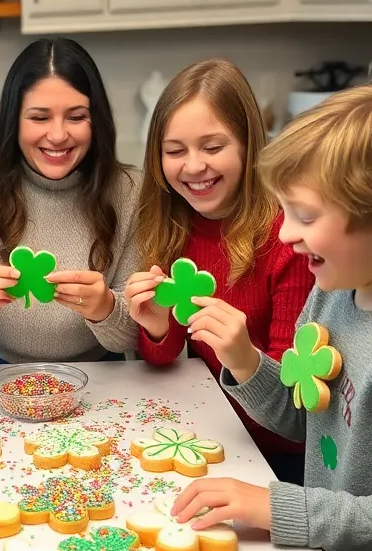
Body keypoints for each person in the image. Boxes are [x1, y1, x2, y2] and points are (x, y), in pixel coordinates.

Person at [172, 88, 372, 551]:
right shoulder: (332, 293)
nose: (285, 233)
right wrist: (244, 359)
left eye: (305, 215)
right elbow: (300, 418)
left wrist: (275, 506)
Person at [124, 59, 313, 484]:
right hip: (211, 436)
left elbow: (296, 408)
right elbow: (165, 358)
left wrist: (244, 357)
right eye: (175, 151)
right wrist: (156, 329)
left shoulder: (288, 239)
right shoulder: (173, 223)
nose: (193, 167)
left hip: (281, 460)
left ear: (248, 145)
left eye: (212, 147)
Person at [0, 38, 140, 364]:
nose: (57, 135)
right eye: (39, 118)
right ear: (14, 120)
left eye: (76, 116)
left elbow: (136, 335)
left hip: (97, 372)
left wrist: (107, 310)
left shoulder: (129, 191)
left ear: (96, 120)